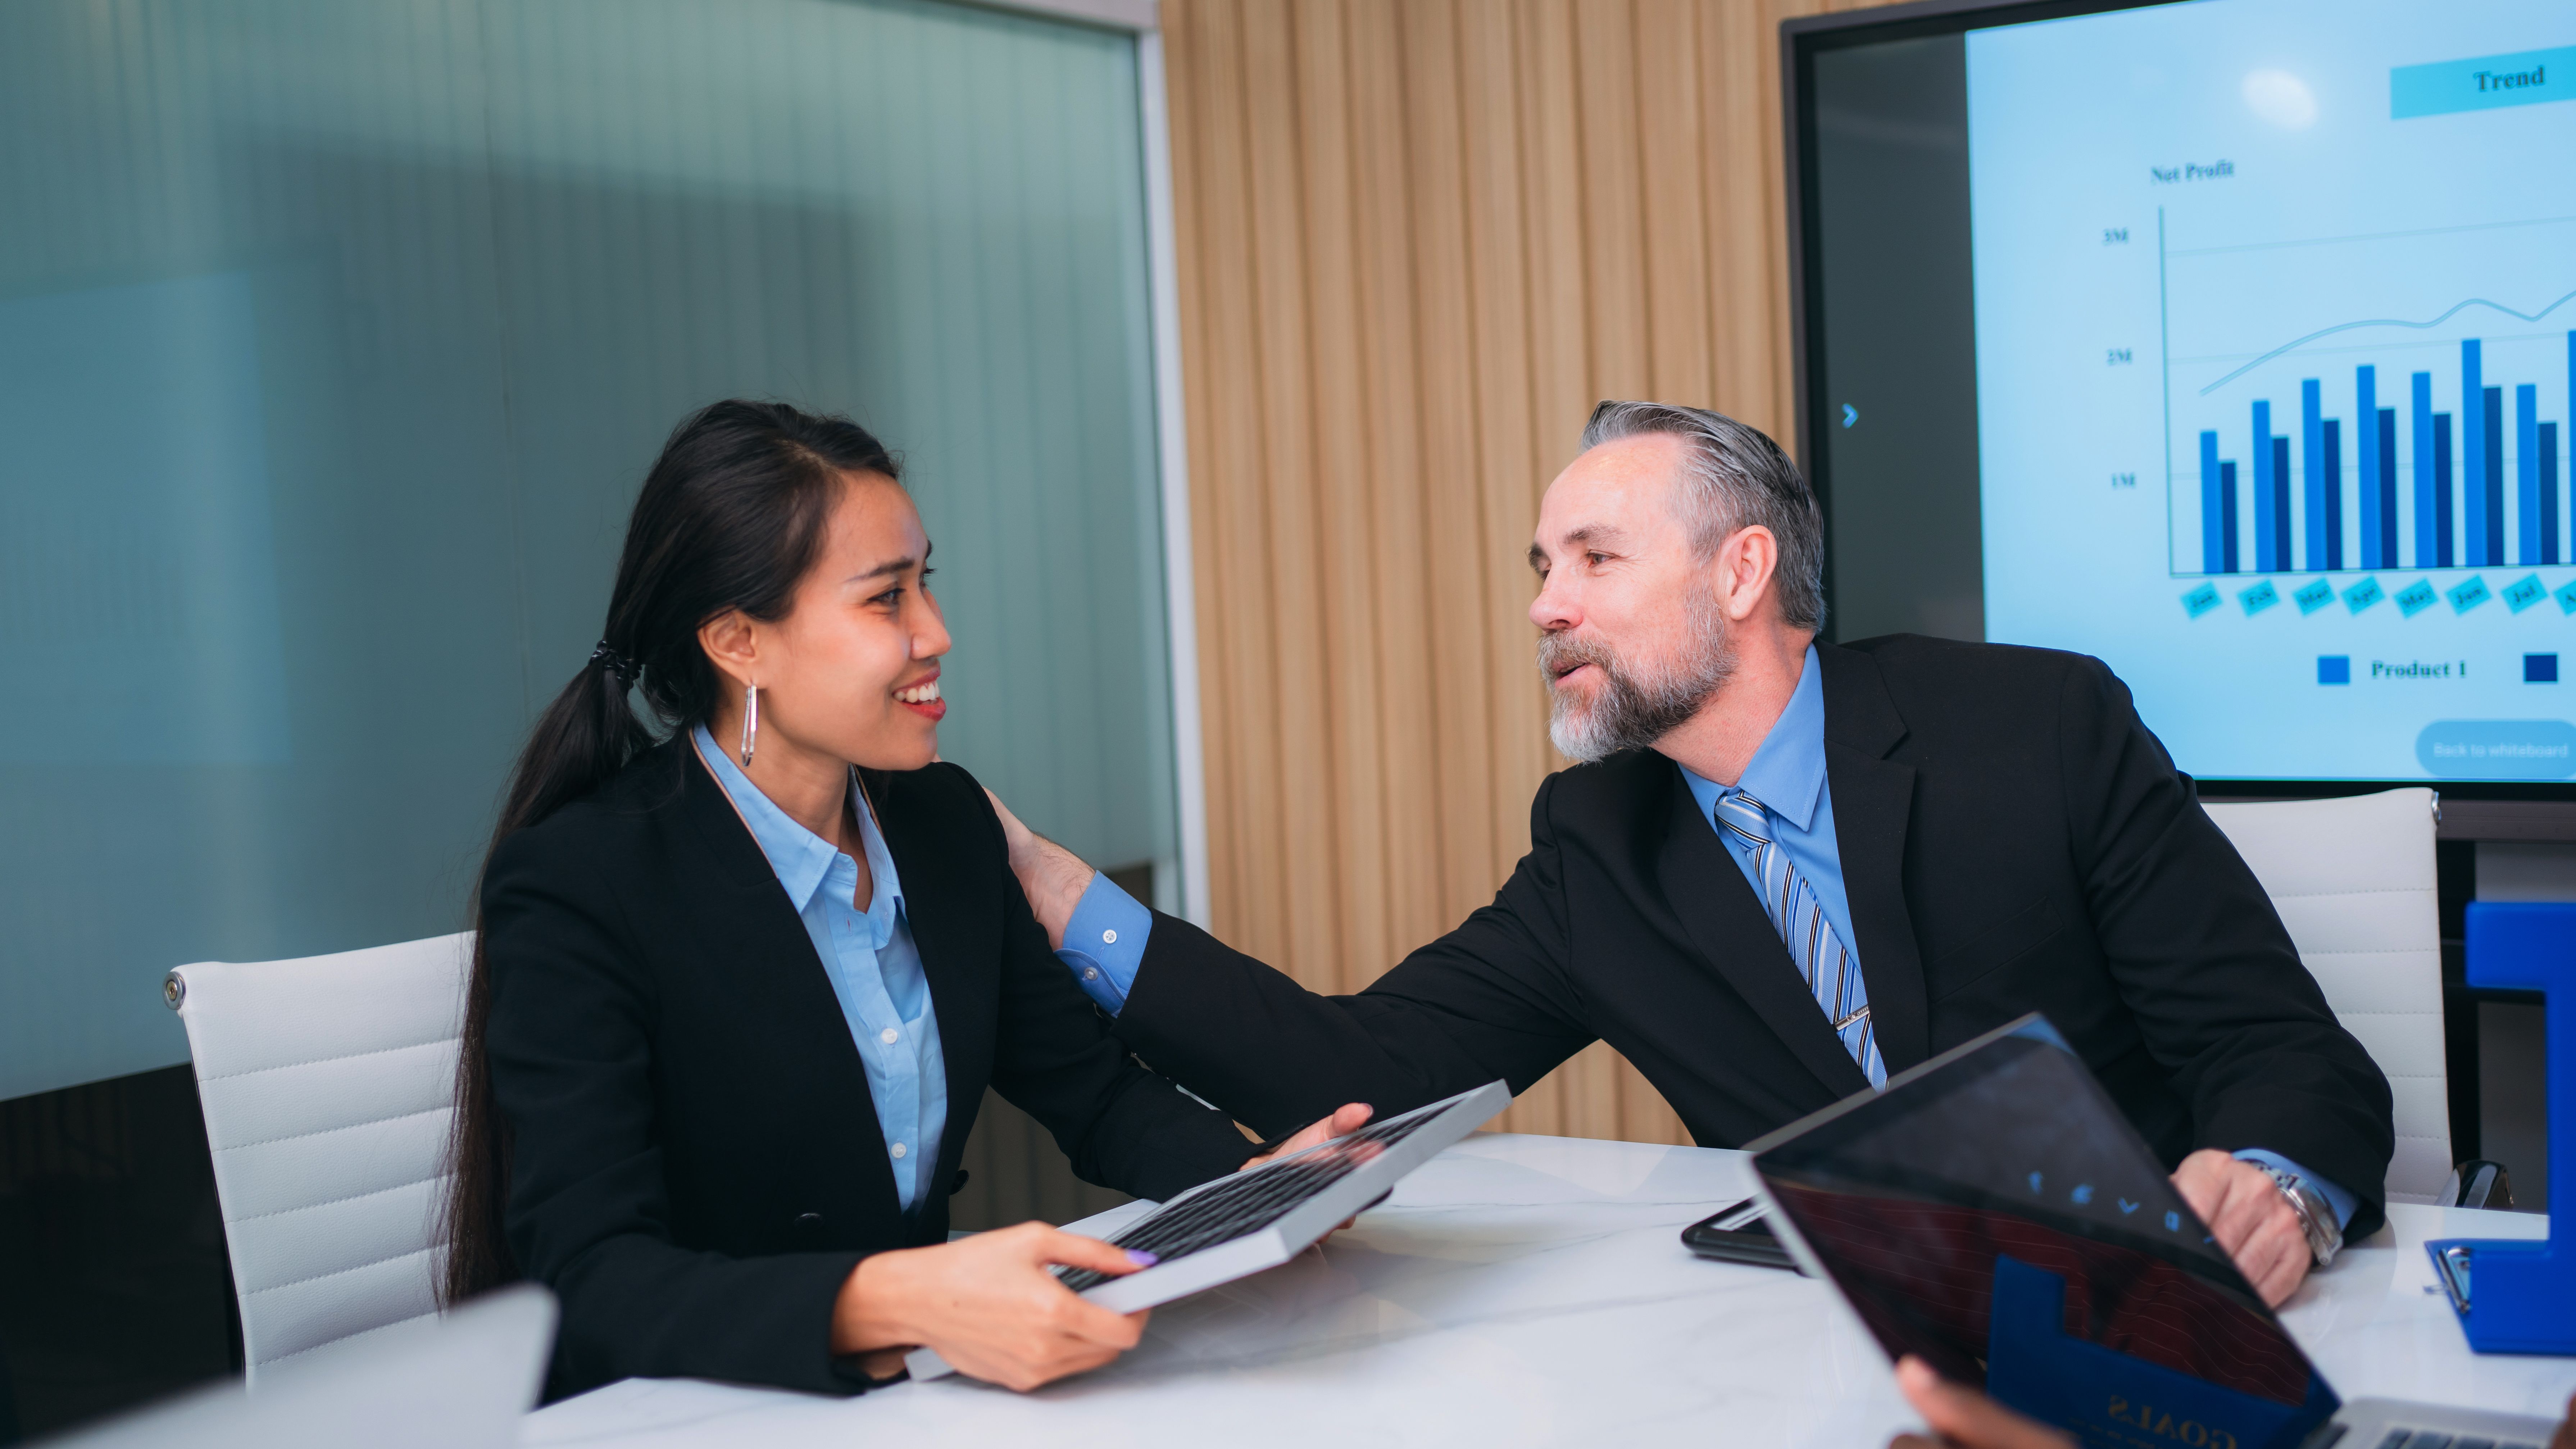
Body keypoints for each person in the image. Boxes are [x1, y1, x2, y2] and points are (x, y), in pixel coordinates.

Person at [995, 400, 2395, 1307]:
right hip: (1849, 1352)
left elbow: (2283, 1050)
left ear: (1741, 572)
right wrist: (1055, 886)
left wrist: (2278, 1183)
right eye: (1540, 567)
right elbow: (1356, 1075)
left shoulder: (2035, 724)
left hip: (2148, 1321)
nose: (1547, 605)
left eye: (1594, 560)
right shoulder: (1602, 843)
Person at [440, 400, 1357, 1400]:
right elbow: (593, 1281)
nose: (937, 632)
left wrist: (1251, 1186)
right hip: (701, 1401)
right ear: (739, 640)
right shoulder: (583, 881)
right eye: (886, 599)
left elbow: (1091, 1092)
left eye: (927, 583)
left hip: (910, 1397)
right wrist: (910, 1299)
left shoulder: (943, 823)